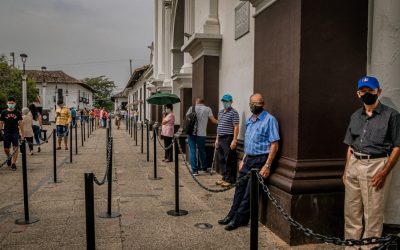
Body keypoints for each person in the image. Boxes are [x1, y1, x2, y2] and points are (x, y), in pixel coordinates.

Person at [343, 76, 400, 248]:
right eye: (363, 91)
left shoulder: (392, 116)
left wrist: (384, 172)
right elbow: (350, 145)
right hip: (354, 163)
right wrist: (346, 170)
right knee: (351, 212)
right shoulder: (355, 116)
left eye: (371, 90)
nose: (367, 94)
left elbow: (397, 147)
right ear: (358, 94)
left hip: (376, 165)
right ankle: (351, 246)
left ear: (379, 92)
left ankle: (370, 247)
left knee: (373, 214)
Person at [218, 93, 280, 231]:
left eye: (257, 103)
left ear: (263, 104)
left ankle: (240, 219)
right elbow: (248, 141)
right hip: (248, 159)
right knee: (239, 189)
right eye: (251, 103)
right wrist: (244, 158)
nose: (253, 106)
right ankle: (232, 214)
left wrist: (267, 165)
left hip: (260, 159)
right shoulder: (250, 120)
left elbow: (274, 145)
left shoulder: (270, 120)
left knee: (249, 193)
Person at [186, 97, 218, 176]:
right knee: (202, 150)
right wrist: (222, 121)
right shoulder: (207, 109)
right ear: (203, 102)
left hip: (191, 133)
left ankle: (194, 170)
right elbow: (213, 121)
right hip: (202, 134)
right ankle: (204, 167)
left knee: (192, 150)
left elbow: (187, 118)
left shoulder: (191, 108)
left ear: (197, 102)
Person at [215, 94, 239, 187]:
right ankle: (224, 177)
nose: (225, 103)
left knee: (229, 159)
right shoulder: (220, 112)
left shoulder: (234, 112)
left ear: (231, 102)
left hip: (228, 138)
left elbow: (236, 126)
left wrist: (235, 140)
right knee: (222, 159)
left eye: (227, 101)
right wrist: (217, 139)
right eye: (224, 101)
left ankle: (230, 179)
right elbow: (219, 126)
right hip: (220, 138)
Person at [0, 97, 24, 171]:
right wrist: (0, 130)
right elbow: (1, 122)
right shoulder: (4, 112)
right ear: (7, 103)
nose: (11, 104)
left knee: (15, 148)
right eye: (9, 103)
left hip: (15, 132)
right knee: (6, 149)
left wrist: (22, 134)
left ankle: (14, 163)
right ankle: (9, 157)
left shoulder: (17, 112)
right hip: (6, 132)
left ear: (15, 104)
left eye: (12, 103)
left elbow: (20, 123)